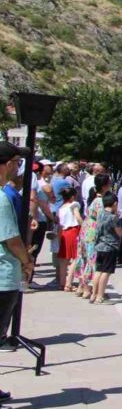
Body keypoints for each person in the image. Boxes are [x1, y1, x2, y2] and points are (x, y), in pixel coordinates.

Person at [0, 142, 34, 383]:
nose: (17, 168)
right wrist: (27, 261)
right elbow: (12, 240)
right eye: (17, 163)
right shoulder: (1, 200)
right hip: (3, 276)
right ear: (6, 165)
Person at [71, 174, 110, 299]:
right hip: (93, 231)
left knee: (84, 257)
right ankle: (87, 288)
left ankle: (81, 287)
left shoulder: (94, 198)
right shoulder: (101, 201)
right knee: (91, 259)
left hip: (86, 228)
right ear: (105, 186)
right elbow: (101, 220)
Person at [92, 192, 122, 304]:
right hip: (110, 246)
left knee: (98, 271)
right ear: (115, 203)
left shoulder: (100, 214)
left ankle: (93, 294)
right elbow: (119, 232)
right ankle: (100, 296)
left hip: (99, 246)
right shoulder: (113, 217)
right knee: (106, 272)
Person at [56, 187, 82, 291]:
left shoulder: (61, 208)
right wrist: (84, 225)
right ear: (72, 197)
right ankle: (69, 283)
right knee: (75, 258)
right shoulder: (74, 204)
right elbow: (78, 217)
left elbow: (59, 225)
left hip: (63, 233)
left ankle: (63, 282)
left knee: (63, 259)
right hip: (73, 231)